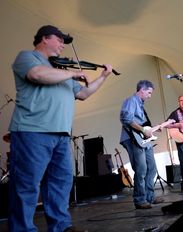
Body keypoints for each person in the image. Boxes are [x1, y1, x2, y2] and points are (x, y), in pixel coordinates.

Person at [8, 25, 113, 232]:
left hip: (62, 135)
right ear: (44, 38)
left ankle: (61, 226)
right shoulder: (27, 57)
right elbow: (37, 75)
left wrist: (103, 77)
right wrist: (73, 73)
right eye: (60, 40)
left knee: (61, 183)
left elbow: (83, 93)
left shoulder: (61, 71)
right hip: (32, 131)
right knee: (27, 185)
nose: (63, 45)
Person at [119, 80, 165, 209]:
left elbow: (142, 124)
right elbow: (125, 119)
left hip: (144, 140)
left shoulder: (141, 105)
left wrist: (151, 128)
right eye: (149, 92)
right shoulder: (131, 101)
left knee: (152, 168)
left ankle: (149, 197)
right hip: (132, 139)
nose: (150, 96)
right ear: (142, 90)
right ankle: (139, 200)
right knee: (141, 169)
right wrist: (143, 130)